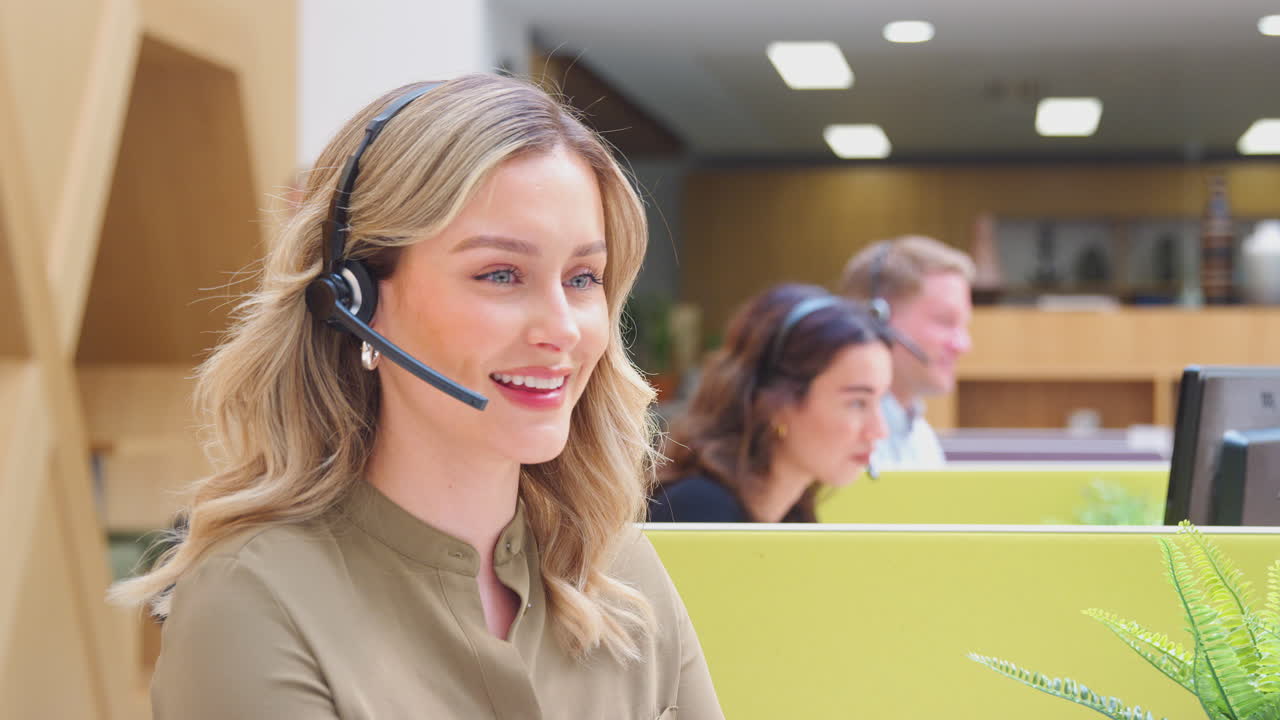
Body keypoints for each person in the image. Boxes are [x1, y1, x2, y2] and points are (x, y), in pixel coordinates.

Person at [110, 74, 723, 719]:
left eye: (582, 277)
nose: (563, 330)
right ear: (359, 304)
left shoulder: (617, 571)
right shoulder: (255, 597)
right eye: (501, 274)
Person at [648, 284, 892, 523]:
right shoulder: (698, 511)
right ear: (777, 403)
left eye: (880, 400)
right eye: (858, 403)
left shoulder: (793, 515)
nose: (879, 430)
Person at [838, 235, 975, 469]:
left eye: (963, 325)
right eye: (945, 321)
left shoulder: (920, 436)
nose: (962, 344)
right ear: (875, 319)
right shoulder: (838, 438)